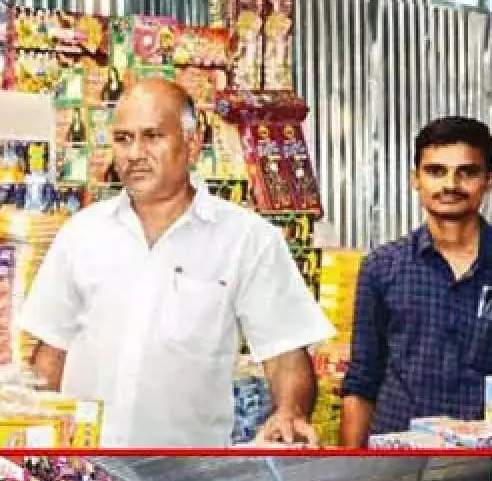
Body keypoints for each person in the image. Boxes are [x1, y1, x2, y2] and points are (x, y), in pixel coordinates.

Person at [18, 79, 334, 448]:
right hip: (88, 462)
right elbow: (51, 351)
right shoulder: (82, 233)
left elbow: (285, 352)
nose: (135, 153)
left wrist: (290, 413)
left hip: (188, 469)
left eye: (152, 137)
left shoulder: (247, 239)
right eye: (123, 139)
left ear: (192, 144)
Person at [341, 117, 492, 446]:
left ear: (490, 180)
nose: (451, 184)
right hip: (400, 451)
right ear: (415, 179)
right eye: (436, 171)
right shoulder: (382, 267)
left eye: (467, 172)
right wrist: (351, 466)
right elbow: (363, 378)